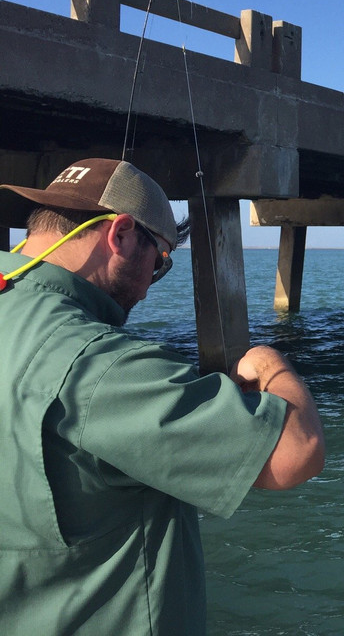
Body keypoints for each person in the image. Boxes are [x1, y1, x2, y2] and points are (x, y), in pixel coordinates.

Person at [0, 158, 325, 636]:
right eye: (159, 263)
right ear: (121, 234)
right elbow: (296, 452)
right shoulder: (101, 364)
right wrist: (267, 362)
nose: (149, 290)